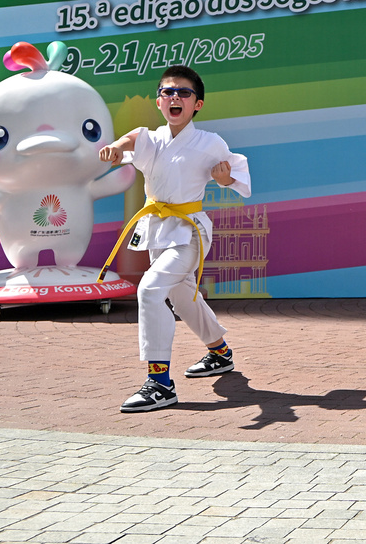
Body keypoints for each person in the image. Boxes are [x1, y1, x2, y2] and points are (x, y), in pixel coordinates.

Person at [98, 65, 251, 413]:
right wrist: (114, 147)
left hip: (190, 233)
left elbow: (237, 176)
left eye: (183, 92)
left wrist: (224, 179)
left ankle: (160, 383)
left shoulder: (210, 142)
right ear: (159, 102)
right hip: (158, 230)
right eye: (167, 92)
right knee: (182, 297)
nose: (175, 97)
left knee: (150, 290)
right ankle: (220, 352)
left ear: (197, 104)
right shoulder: (151, 139)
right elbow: (130, 140)